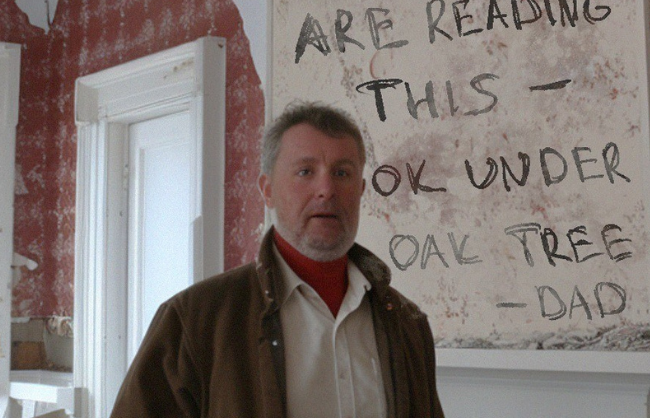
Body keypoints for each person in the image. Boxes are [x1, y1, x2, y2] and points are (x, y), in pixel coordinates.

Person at [111, 102, 445, 418]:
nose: (326, 189)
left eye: (342, 173)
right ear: (267, 190)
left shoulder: (406, 324)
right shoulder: (195, 321)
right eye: (305, 171)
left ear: (360, 190)